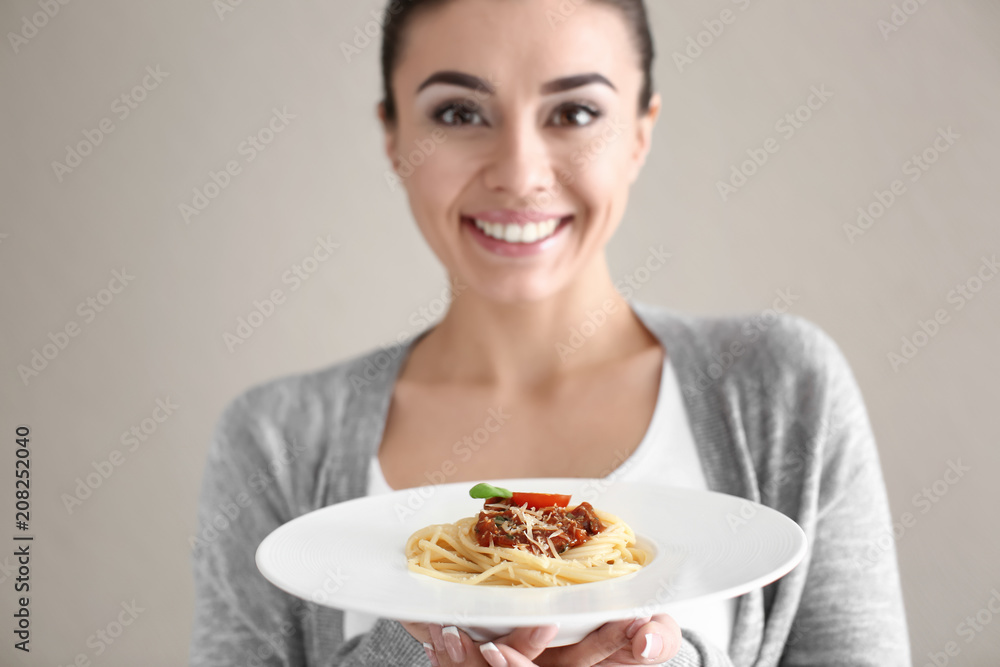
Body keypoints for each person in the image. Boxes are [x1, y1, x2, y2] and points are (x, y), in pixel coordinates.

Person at [188, 0, 911, 665]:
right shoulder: (275, 437)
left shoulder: (782, 387)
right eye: (460, 112)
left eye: (574, 112)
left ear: (640, 133)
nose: (519, 172)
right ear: (391, 133)